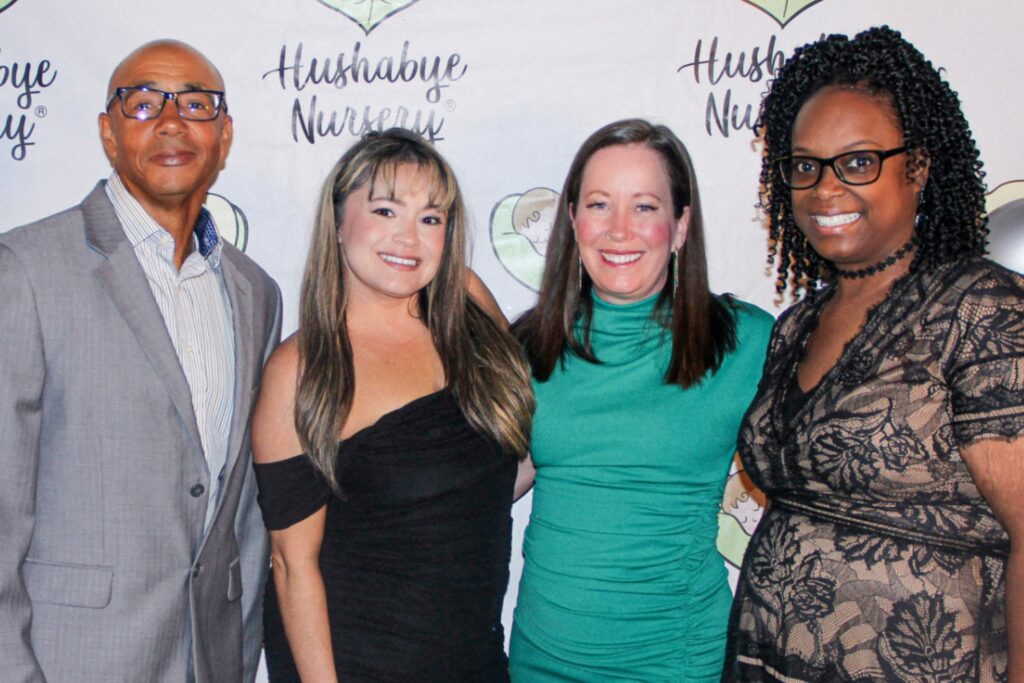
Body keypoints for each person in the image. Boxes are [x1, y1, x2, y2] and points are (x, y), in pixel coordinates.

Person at [724, 26, 1024, 681]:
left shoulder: (978, 309)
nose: (825, 189)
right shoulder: (796, 326)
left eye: (858, 162)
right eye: (805, 165)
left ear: (918, 167)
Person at [0, 40, 281, 682]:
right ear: (109, 131)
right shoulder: (25, 270)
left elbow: (243, 516)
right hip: (69, 661)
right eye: (145, 103)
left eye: (196, 105)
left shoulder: (255, 292)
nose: (172, 122)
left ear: (224, 134)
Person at [251, 128, 534, 681]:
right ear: (338, 223)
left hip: (475, 656)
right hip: (359, 663)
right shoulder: (302, 368)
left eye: (430, 218)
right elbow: (291, 564)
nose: (409, 238)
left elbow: (496, 466)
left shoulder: (468, 305)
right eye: (385, 210)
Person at [509, 118, 774, 681]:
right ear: (573, 220)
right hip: (539, 664)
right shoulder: (529, 346)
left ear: (680, 227)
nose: (619, 230)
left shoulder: (745, 343)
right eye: (599, 205)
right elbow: (484, 487)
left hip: (674, 665)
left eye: (645, 207)